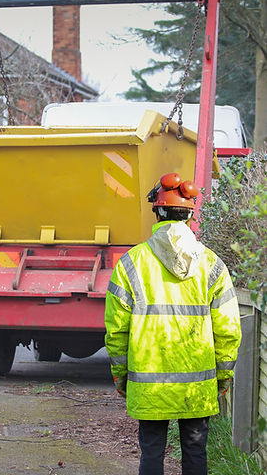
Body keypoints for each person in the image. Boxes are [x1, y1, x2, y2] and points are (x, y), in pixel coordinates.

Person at [104, 172, 242, 475]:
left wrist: (120, 375)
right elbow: (228, 328)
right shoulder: (212, 265)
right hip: (197, 385)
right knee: (195, 451)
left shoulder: (130, 264)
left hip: (148, 384)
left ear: (157, 212)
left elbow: (116, 330)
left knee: (151, 453)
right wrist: (224, 375)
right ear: (191, 215)